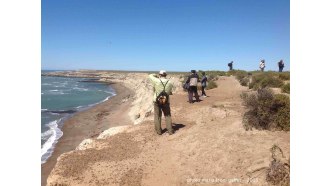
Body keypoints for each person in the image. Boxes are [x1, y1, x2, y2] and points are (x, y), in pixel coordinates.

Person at [148, 70, 174, 135]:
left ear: (160, 75)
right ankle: (170, 131)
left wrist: (156, 75)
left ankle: (159, 131)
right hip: (166, 101)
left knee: (157, 116)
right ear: (166, 75)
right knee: (167, 115)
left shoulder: (156, 81)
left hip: (157, 101)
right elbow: (170, 92)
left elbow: (150, 76)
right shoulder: (170, 82)